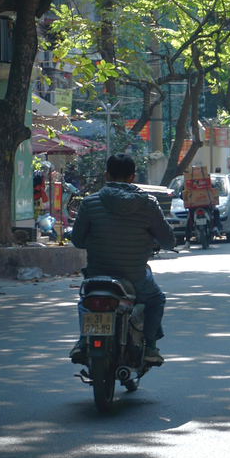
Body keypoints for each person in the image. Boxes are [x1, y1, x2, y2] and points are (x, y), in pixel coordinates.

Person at [70, 153, 176, 364]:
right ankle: (150, 347)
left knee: (86, 301)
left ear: (106, 175)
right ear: (132, 177)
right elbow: (169, 241)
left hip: (97, 276)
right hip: (134, 276)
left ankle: (84, 340)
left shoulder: (89, 203)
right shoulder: (148, 203)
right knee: (156, 300)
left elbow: (78, 240)